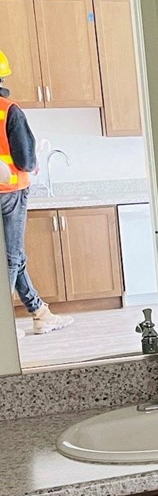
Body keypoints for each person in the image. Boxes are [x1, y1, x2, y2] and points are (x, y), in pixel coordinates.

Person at [0, 50, 72, 334]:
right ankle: (5, 326)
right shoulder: (9, 110)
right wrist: (33, 162)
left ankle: (39, 312)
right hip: (11, 192)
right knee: (12, 257)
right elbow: (25, 161)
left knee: (15, 255)